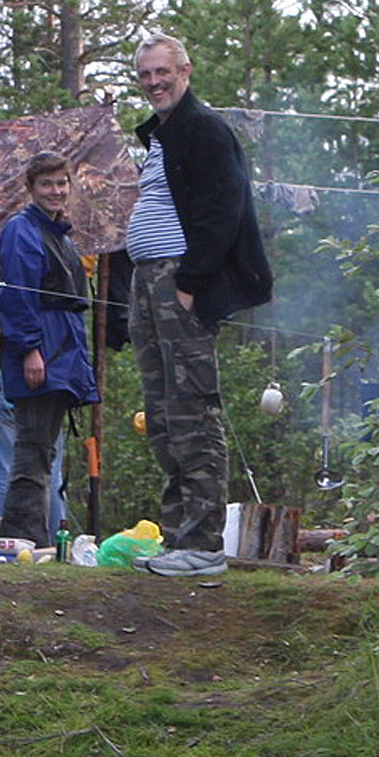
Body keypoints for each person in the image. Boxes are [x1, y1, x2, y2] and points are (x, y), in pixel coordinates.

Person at [125, 34, 273, 578]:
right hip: (148, 282)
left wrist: (190, 283)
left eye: (162, 72)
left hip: (179, 281)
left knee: (192, 407)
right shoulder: (161, 136)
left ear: (185, 71)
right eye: (145, 74)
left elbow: (224, 208)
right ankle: (177, 538)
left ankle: (204, 543)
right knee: (162, 412)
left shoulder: (204, 129)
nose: (154, 82)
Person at [0, 151, 98, 547]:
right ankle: (21, 538)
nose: (56, 191)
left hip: (65, 350)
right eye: (46, 184)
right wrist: (29, 350)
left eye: (61, 183)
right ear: (31, 188)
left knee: (45, 451)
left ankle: (37, 540)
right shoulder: (22, 231)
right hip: (41, 351)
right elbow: (17, 296)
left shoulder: (61, 236)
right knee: (32, 448)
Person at [0, 318, 67, 531]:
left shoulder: (5, 304)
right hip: (49, 382)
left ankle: (5, 537)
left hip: (10, 386)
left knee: (7, 470)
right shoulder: (52, 306)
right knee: (50, 470)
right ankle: (55, 540)